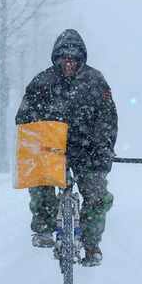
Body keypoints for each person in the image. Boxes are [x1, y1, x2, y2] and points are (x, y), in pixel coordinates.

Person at [15, 29, 117, 266]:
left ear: (81, 59)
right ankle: (43, 228)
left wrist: (104, 147)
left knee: (97, 195)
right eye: (65, 59)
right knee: (40, 185)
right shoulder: (41, 83)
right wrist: (36, 142)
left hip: (88, 152)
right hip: (51, 151)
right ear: (57, 59)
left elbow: (108, 119)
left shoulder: (96, 82)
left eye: (73, 59)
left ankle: (91, 244)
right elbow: (24, 118)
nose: (69, 63)